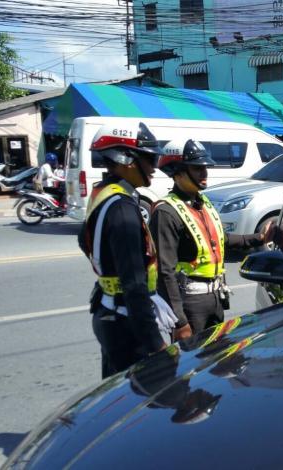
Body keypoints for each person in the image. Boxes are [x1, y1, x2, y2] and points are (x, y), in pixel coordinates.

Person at [150, 139, 276, 340]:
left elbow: (220, 240)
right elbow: (165, 272)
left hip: (215, 298)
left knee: (215, 361)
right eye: (197, 168)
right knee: (192, 366)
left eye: (205, 167)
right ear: (178, 172)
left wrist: (259, 238)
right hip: (190, 304)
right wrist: (179, 321)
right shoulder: (166, 212)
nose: (204, 173)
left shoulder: (202, 202)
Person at [78, 122, 173, 379]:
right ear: (126, 159)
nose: (155, 167)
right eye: (150, 158)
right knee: (143, 404)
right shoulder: (122, 209)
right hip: (126, 324)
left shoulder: (105, 193)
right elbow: (133, 284)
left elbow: (82, 239)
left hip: (108, 313)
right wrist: (155, 344)